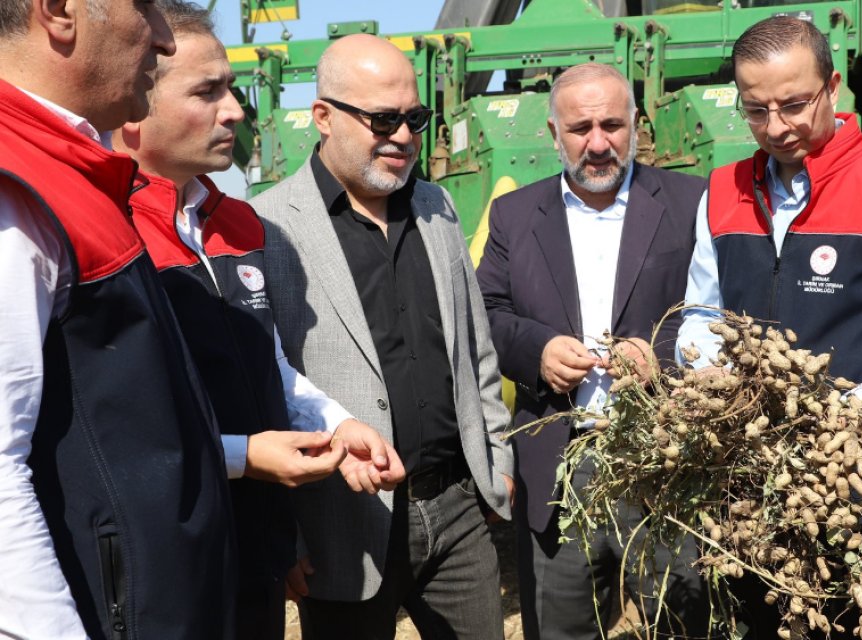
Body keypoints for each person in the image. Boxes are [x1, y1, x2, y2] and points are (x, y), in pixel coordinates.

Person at [110, 4, 406, 638]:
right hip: (165, 563)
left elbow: (265, 363)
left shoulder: (239, 225)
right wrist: (246, 457)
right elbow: (117, 433)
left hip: (256, 555)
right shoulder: (108, 233)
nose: (236, 111)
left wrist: (335, 423)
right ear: (136, 102)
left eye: (232, 88)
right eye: (207, 91)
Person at [251, 33, 514, 639]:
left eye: (413, 119)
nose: (401, 135)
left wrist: (496, 460)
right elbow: (264, 386)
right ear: (323, 116)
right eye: (382, 119)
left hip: (458, 512)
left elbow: (475, 348)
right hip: (339, 527)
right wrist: (283, 533)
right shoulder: (268, 227)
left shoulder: (438, 206)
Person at [0, 0, 237, 638]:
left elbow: (121, 432)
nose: (163, 39)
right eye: (146, 7)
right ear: (59, 13)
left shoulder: (71, 173)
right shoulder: (16, 189)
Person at [476, 62, 712, 640]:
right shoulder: (514, 215)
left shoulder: (691, 202)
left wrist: (662, 354)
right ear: (554, 134)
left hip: (669, 460)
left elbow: (720, 310)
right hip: (561, 463)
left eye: (613, 124)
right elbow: (485, 314)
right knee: (562, 628)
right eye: (581, 128)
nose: (599, 143)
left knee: (684, 623)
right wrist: (538, 351)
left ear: (636, 125)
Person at [677, 15, 862, 421]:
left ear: (832, 89)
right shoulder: (723, 191)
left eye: (795, 105)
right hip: (740, 460)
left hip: (857, 459)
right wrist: (706, 367)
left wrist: (856, 410)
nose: (776, 128)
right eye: (756, 110)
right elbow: (703, 314)